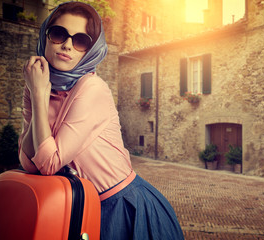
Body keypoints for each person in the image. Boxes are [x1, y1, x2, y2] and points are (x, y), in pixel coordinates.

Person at [18, 2, 184, 239]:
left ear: (90, 49)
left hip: (123, 207)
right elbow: (29, 163)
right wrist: (39, 94)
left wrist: (37, 96)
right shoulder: (38, 86)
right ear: (46, 36)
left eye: (80, 40)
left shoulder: (93, 88)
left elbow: (49, 164)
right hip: (81, 208)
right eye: (58, 34)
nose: (67, 45)